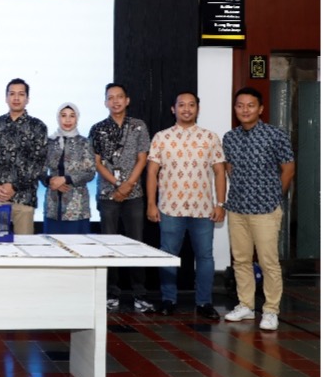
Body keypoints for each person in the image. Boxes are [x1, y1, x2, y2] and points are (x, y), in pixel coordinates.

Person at [146, 92, 226, 319]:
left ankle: (204, 302)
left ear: (198, 109)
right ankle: (168, 300)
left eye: (192, 105)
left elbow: (220, 172)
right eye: (182, 105)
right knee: (168, 255)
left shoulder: (210, 138)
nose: (187, 109)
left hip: (203, 210)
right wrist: (151, 204)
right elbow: (151, 172)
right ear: (173, 109)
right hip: (170, 208)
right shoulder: (161, 137)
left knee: (205, 256)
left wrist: (220, 204)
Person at [222, 87, 295, 331]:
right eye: (240, 105)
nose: (245, 110)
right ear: (235, 109)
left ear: (260, 109)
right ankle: (246, 305)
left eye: (250, 105)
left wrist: (274, 196)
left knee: (268, 262)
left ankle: (271, 310)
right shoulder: (229, 138)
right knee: (241, 260)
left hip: (266, 209)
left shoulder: (275, 135)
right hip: (237, 208)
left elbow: (288, 169)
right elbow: (230, 168)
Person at [88, 83, 155, 313]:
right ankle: (111, 293)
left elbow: (143, 158)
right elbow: (96, 162)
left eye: (119, 97)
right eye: (110, 98)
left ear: (127, 100)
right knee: (108, 244)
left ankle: (139, 294)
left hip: (134, 194)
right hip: (107, 195)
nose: (115, 101)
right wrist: (117, 185)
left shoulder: (139, 126)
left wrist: (128, 185)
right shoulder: (97, 129)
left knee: (136, 243)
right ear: (105, 102)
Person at [0, 78, 48, 235]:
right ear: (6, 98)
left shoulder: (37, 126)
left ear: (27, 99)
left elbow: (39, 163)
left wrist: (14, 186)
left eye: (21, 94)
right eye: (12, 94)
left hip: (24, 198)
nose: (16, 98)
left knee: (25, 245)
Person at [40, 103, 95, 235]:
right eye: (63, 116)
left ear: (77, 119)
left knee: (77, 244)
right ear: (58, 118)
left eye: (72, 116)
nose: (68, 120)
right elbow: (40, 170)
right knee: (52, 244)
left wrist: (66, 179)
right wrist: (51, 181)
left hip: (77, 207)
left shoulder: (84, 142)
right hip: (53, 205)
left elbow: (90, 173)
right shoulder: (49, 142)